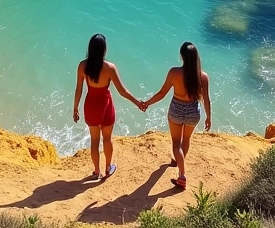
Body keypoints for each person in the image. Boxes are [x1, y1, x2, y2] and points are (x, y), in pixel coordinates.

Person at [73, 33, 145, 180]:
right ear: (104, 50)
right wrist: (137, 102)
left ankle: (96, 171)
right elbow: (122, 91)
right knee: (107, 138)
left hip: (91, 105)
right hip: (106, 105)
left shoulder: (83, 66)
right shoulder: (110, 67)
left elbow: (79, 89)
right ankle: (108, 168)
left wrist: (75, 108)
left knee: (94, 140)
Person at [142, 41, 211, 190]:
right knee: (185, 140)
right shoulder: (203, 77)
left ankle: (182, 176)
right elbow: (206, 99)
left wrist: (146, 103)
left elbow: (161, 93)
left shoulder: (174, 72)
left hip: (176, 110)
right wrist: (208, 117)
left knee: (176, 142)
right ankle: (179, 163)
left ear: (181, 56)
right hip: (193, 111)